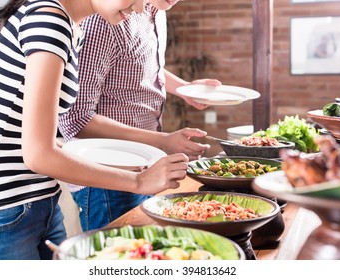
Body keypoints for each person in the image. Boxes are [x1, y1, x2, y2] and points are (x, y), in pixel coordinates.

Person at [0, 0, 189, 260]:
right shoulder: (49, 22)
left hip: (38, 201)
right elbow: (38, 154)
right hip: (3, 210)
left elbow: (24, 132)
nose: (140, 8)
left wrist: (113, 161)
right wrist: (139, 181)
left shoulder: (69, 24)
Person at [58, 0, 221, 232]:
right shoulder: (104, 21)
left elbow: (136, 63)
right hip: (107, 179)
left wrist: (185, 89)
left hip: (145, 168)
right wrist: (164, 141)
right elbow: (76, 120)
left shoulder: (156, 11)